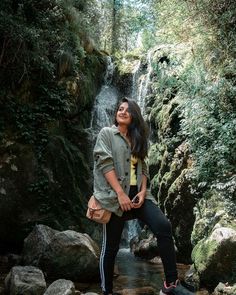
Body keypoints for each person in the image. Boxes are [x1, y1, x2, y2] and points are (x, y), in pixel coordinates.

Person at [93, 97, 195, 295]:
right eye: (120, 109)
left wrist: (142, 190)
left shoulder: (137, 138)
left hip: (139, 196)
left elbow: (144, 167)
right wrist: (121, 194)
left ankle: (170, 285)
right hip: (115, 198)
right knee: (111, 247)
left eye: (127, 110)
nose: (122, 112)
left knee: (163, 226)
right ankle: (107, 291)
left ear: (134, 116)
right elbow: (105, 164)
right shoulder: (107, 133)